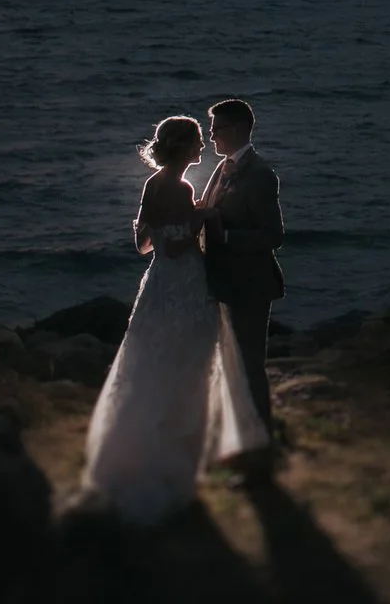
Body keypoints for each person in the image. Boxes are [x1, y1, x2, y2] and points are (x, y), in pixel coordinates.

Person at [75, 114, 268, 521]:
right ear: (184, 148)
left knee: (151, 360)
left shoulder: (152, 184)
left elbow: (143, 243)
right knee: (189, 364)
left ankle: (143, 448)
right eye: (198, 142)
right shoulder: (179, 188)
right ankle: (175, 461)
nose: (203, 147)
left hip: (158, 281)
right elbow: (180, 247)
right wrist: (200, 218)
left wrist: (178, 224)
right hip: (184, 282)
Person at [199, 97, 286, 449]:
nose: (210, 135)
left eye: (215, 128)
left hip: (250, 285)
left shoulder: (260, 174)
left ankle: (260, 445)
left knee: (250, 368)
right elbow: (210, 210)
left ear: (235, 129)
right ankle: (239, 442)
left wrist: (226, 236)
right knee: (232, 367)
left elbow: (273, 235)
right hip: (224, 282)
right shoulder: (225, 167)